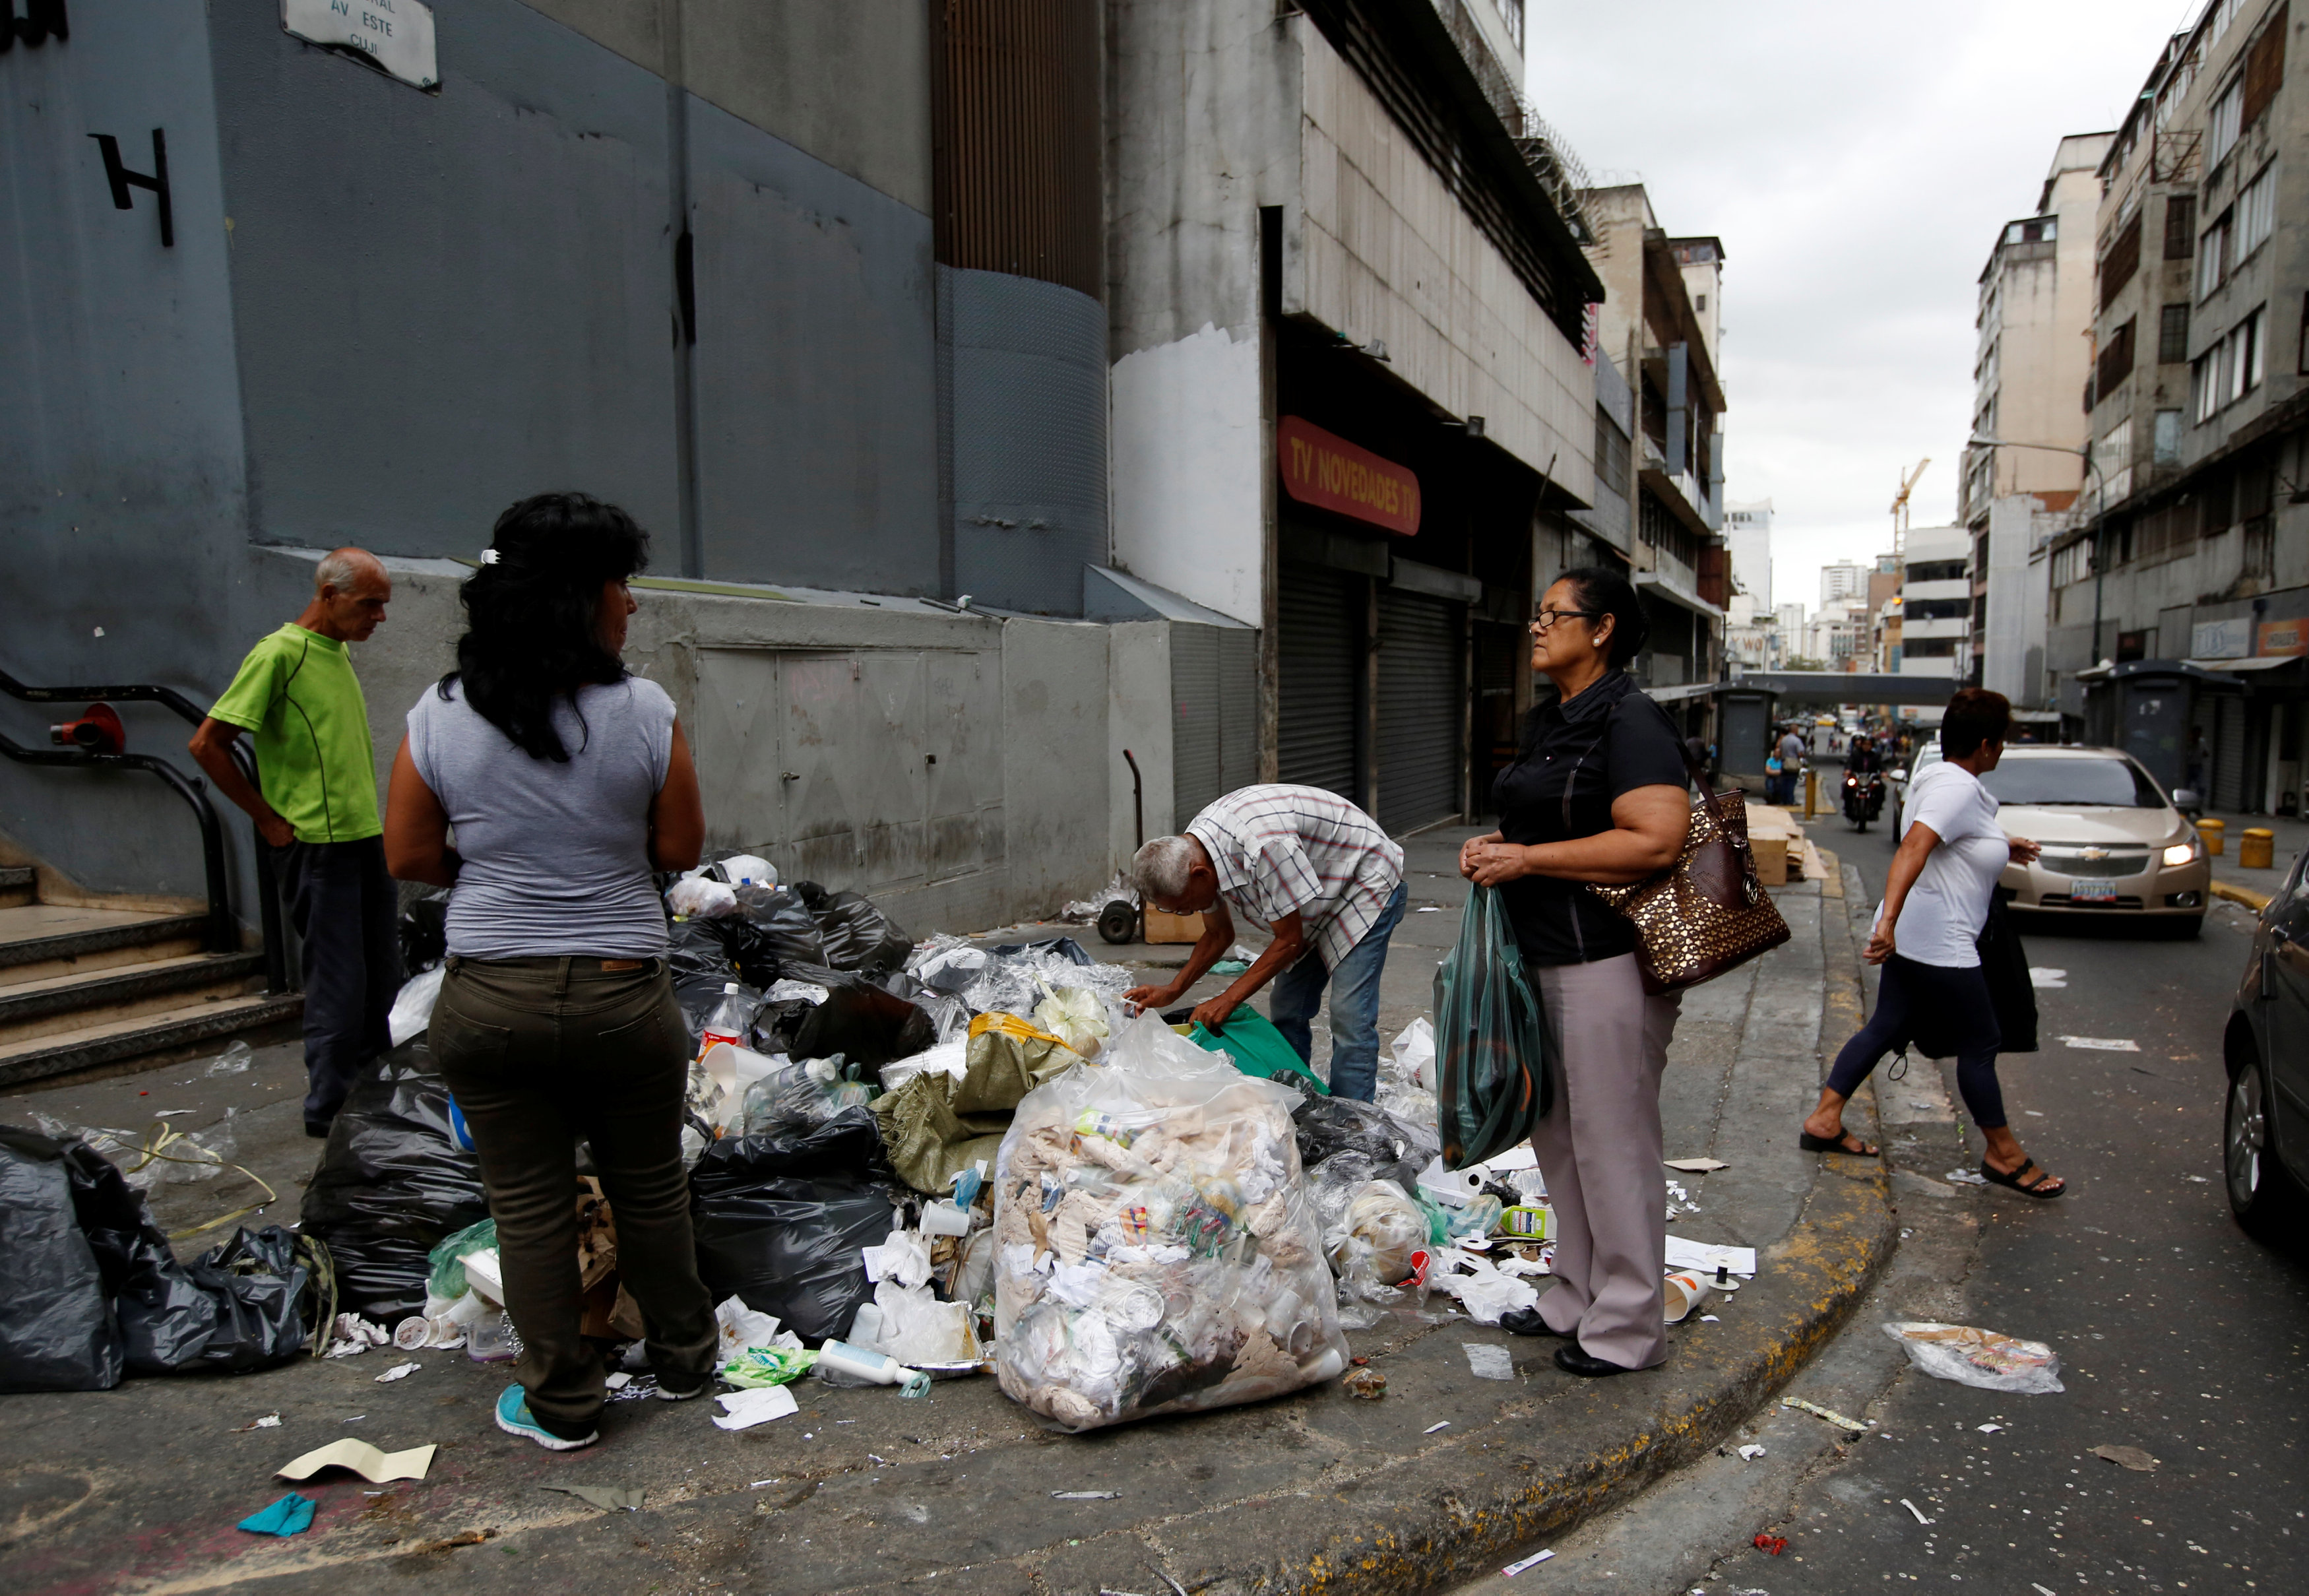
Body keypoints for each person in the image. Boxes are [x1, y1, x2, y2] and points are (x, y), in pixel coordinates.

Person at [382, 492, 718, 1452]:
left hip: (491, 999)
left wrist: (501, 864)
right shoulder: (644, 710)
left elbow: (409, 854)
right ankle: (685, 1359)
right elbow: (680, 847)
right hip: (622, 992)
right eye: (621, 583)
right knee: (649, 1188)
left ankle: (565, 1405)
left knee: (527, 1208)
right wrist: (591, 853)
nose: (632, 603)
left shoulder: (439, 714)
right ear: (579, 597)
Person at [1460, 567, 1693, 1377]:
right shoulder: (1552, 718)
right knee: (1557, 1140)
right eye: (1536, 612)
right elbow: (1551, 819)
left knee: (1611, 1144)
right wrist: (1498, 846)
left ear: (1600, 629)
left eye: (1552, 614)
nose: (1535, 626)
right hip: (1540, 956)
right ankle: (1575, 1293)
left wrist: (1527, 859)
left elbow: (1654, 840)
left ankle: (1628, 1327)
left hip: (1607, 960)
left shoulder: (1631, 720)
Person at [1797, 688, 2062, 1197]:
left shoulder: (1939, 777)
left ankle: (1825, 1118)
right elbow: (1914, 848)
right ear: (1985, 745)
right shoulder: (1956, 789)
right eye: (2002, 740)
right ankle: (2004, 1154)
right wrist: (1887, 923)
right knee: (1981, 1042)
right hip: (1941, 940)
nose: (2003, 748)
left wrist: (2003, 843)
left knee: (1886, 1025)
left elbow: (1953, 840)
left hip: (1917, 935)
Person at [189, 549, 400, 1137]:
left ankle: (374, 1096)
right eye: (370, 604)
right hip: (317, 844)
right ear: (329, 595)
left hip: (364, 838)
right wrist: (267, 819)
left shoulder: (338, 651)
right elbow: (207, 743)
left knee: (381, 978)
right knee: (339, 984)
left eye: (383, 604)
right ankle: (329, 1110)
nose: (380, 617)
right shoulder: (279, 653)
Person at [1123, 787, 1406, 1102]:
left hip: (1362, 880)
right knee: (1287, 1006)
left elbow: (1289, 941)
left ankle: (1354, 1118)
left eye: (1184, 907)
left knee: (1349, 1016)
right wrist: (1173, 990)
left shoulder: (1265, 847)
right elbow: (1218, 934)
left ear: (1200, 874)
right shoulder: (1196, 850)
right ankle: (1294, 1100)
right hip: (1314, 894)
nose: (1187, 914)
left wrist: (1227, 999)